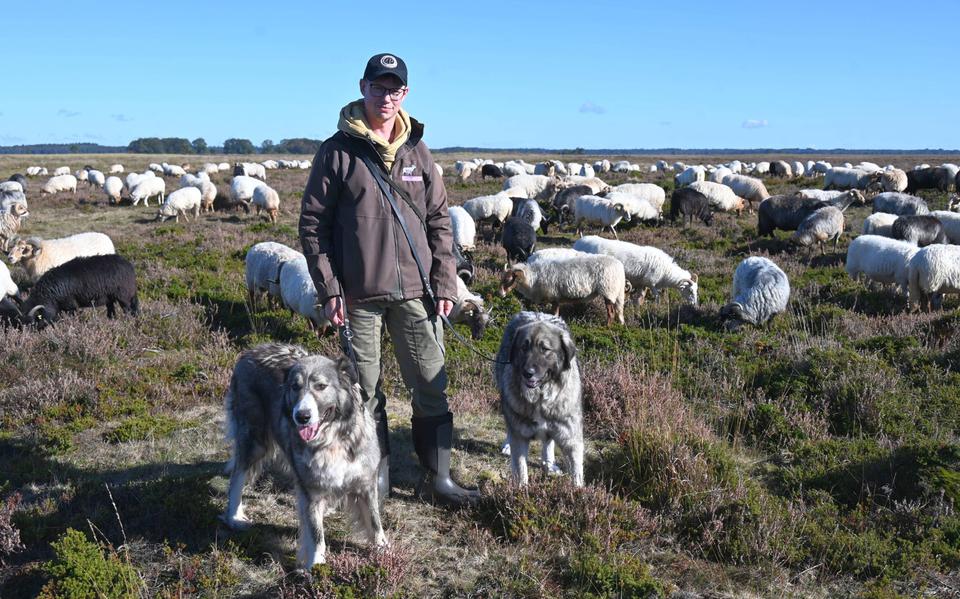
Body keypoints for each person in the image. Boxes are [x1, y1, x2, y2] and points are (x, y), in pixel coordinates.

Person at [298, 53, 478, 505]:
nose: (386, 96)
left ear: (405, 94)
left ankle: (439, 479)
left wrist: (445, 280)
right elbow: (313, 225)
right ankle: (374, 482)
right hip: (359, 295)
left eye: (394, 89)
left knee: (431, 387)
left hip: (418, 291)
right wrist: (330, 288)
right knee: (364, 395)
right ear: (363, 88)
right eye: (378, 87)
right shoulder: (337, 151)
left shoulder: (418, 150)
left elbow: (438, 218)